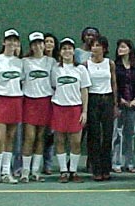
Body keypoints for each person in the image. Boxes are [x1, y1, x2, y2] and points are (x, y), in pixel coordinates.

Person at [0, 28, 24, 185]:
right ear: (4, 42)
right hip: (0, 101)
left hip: (16, 100)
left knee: (10, 138)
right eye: (9, 40)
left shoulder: (20, 63)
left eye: (15, 40)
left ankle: (6, 173)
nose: (12, 43)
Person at [51, 37, 91, 183]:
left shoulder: (81, 69)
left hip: (75, 109)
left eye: (69, 48)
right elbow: (53, 87)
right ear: (60, 52)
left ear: (74, 51)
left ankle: (73, 171)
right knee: (60, 141)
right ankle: (63, 171)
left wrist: (84, 111)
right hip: (58, 108)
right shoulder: (55, 69)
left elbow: (84, 90)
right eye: (64, 49)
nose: (67, 51)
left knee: (75, 142)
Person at [20, 32, 57, 183]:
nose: (38, 46)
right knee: (29, 137)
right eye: (34, 43)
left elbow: (54, 83)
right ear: (31, 46)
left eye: (40, 43)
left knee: (41, 137)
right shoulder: (24, 62)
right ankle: (24, 172)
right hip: (29, 102)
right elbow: (20, 80)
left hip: (45, 102)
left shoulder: (51, 62)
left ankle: (35, 171)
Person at [85, 36, 118, 181]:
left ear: (104, 48)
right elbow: (84, 86)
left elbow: (114, 83)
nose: (95, 48)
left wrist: (115, 104)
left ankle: (106, 168)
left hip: (107, 99)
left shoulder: (109, 63)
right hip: (92, 99)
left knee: (107, 135)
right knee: (94, 135)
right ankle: (96, 169)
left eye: (98, 45)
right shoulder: (86, 64)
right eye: (93, 45)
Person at [111, 39, 135, 174]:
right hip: (119, 105)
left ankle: (130, 163)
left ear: (130, 49)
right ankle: (116, 163)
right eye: (119, 47)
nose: (121, 49)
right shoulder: (115, 66)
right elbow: (113, 84)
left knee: (129, 135)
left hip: (133, 106)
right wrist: (120, 99)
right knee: (117, 134)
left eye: (123, 47)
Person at [41, 32, 60, 175]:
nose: (48, 44)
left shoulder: (58, 63)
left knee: (50, 135)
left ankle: (47, 164)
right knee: (33, 135)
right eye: (46, 41)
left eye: (51, 42)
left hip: (53, 103)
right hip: (36, 102)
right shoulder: (30, 61)